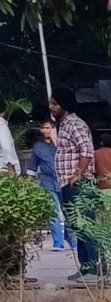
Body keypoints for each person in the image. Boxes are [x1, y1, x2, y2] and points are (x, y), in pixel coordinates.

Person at [52, 90, 100, 278]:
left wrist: (78, 173)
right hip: (66, 183)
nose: (51, 107)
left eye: (55, 103)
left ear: (64, 105)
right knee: (77, 227)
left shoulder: (75, 124)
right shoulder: (63, 125)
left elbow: (86, 150)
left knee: (85, 224)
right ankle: (86, 267)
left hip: (78, 184)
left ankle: (93, 268)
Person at [27, 118, 68, 251]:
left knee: (68, 211)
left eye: (48, 128)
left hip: (65, 181)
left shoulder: (63, 144)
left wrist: (56, 140)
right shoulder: (38, 147)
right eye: (43, 128)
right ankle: (58, 242)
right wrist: (29, 183)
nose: (45, 130)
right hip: (47, 182)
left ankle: (73, 240)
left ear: (54, 129)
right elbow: (32, 166)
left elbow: (69, 157)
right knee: (53, 212)